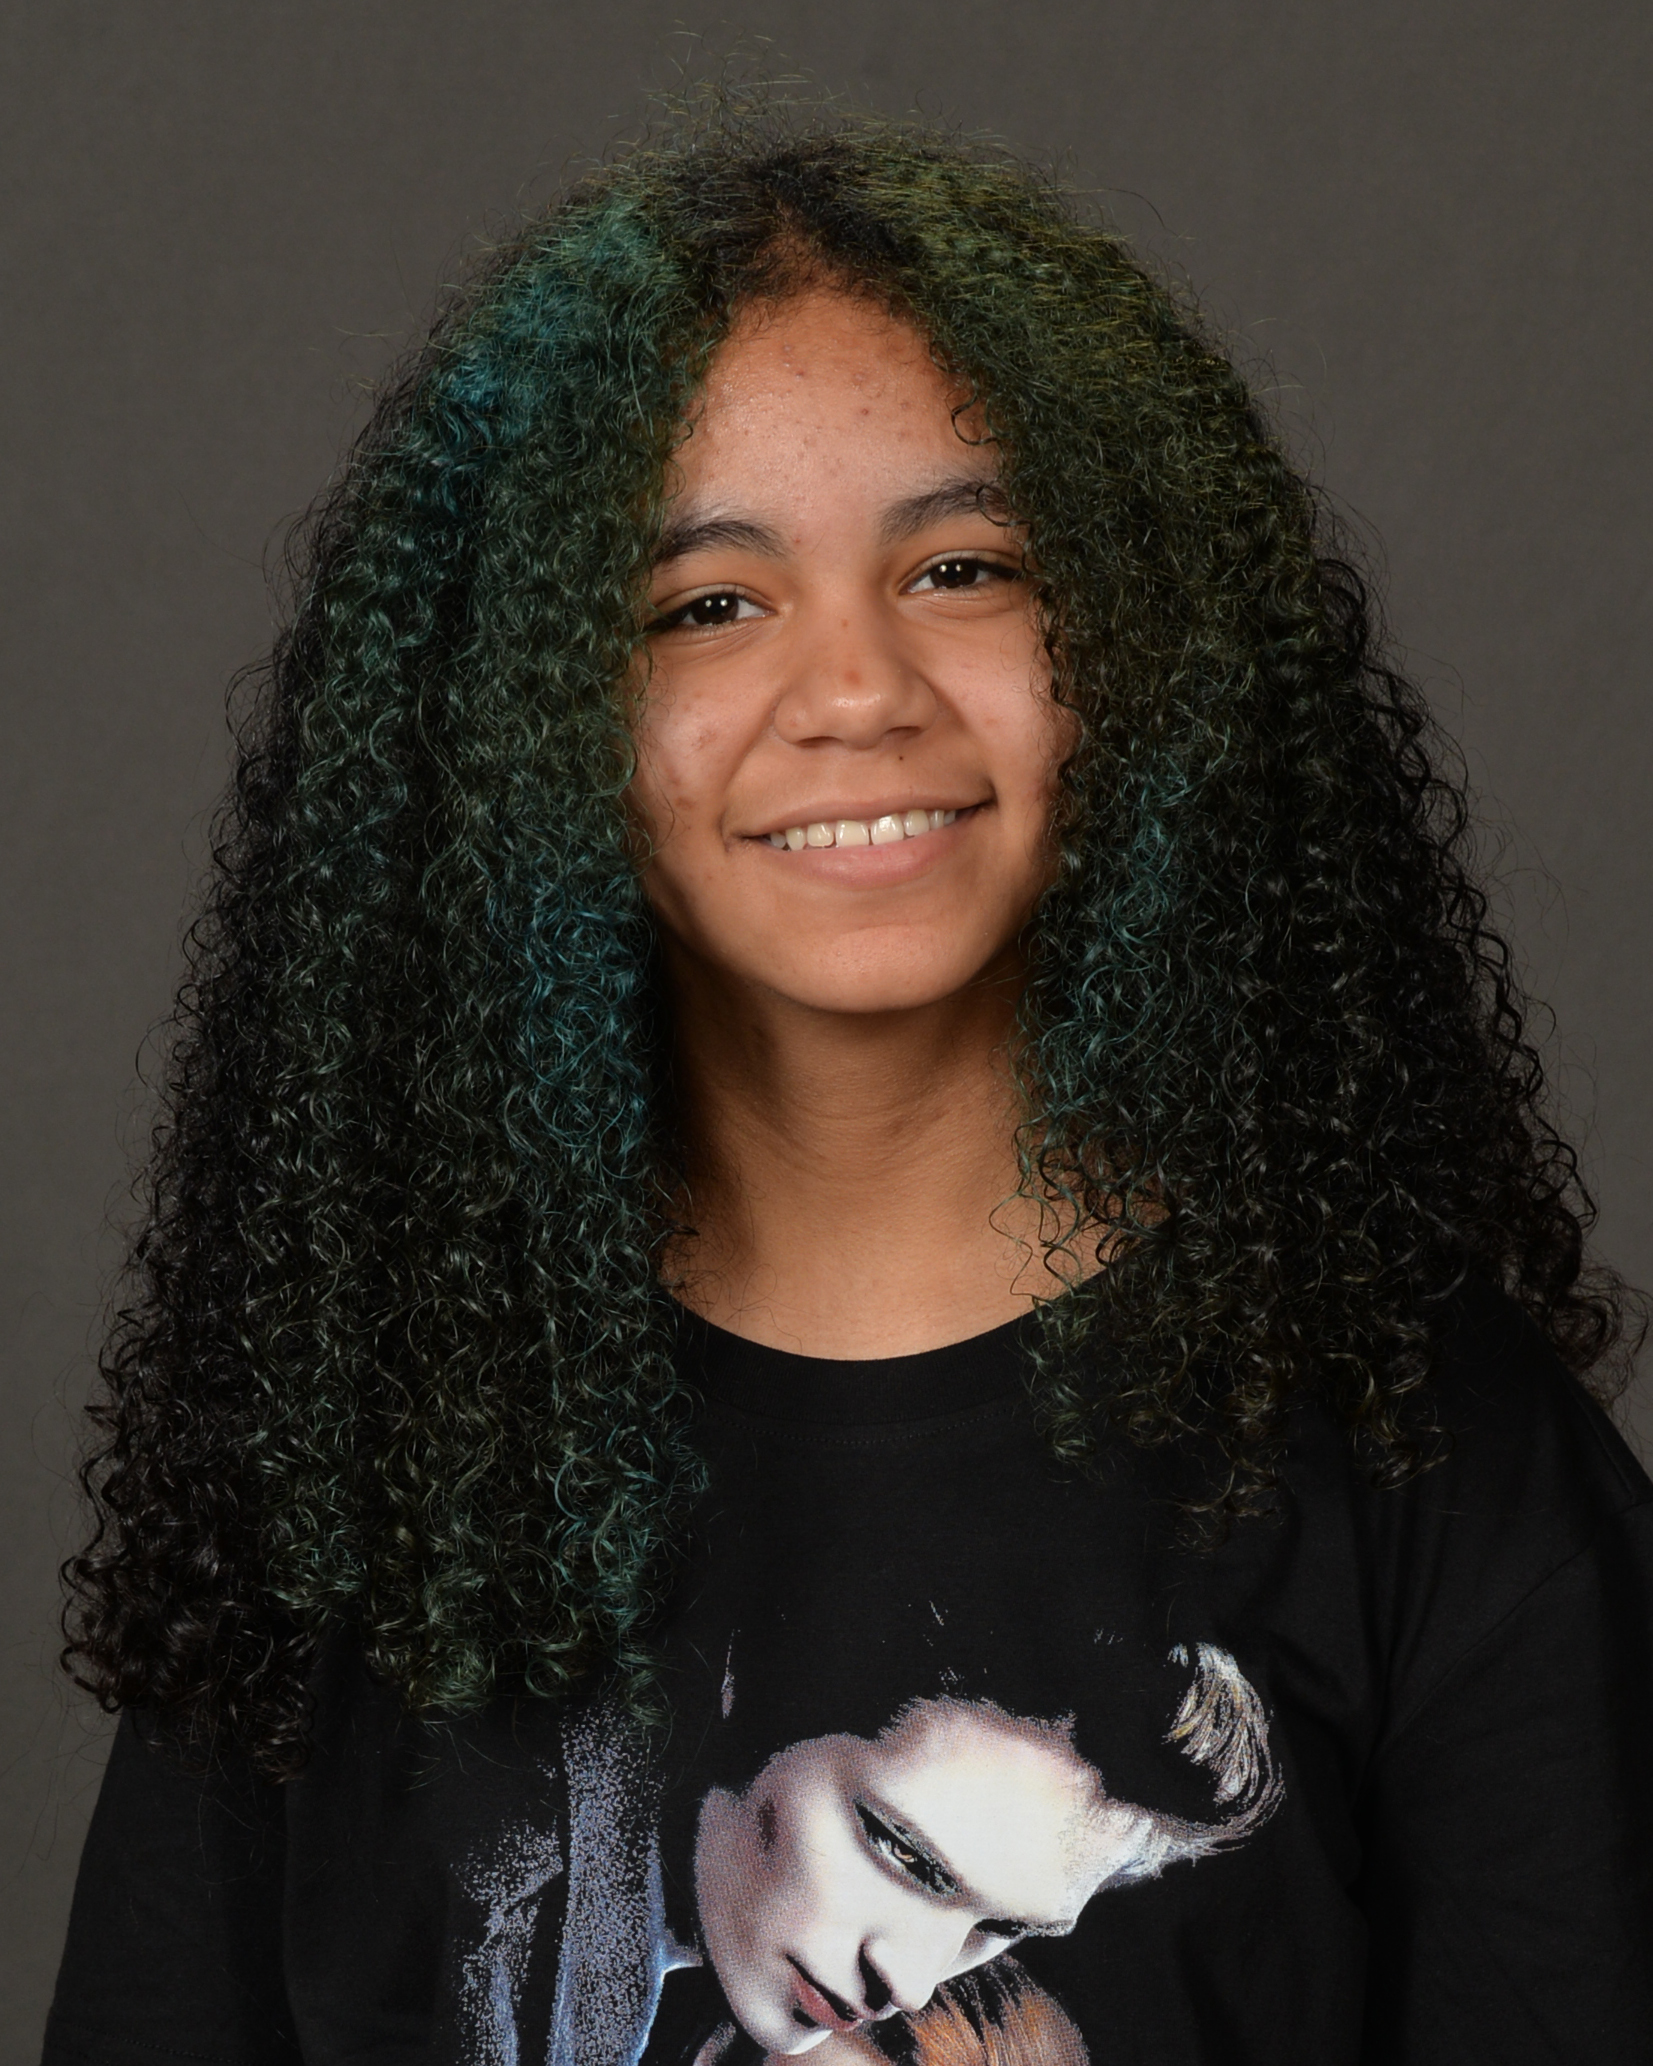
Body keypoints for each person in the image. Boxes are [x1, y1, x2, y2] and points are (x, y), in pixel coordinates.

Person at [44, 98, 1653, 2066]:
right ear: (523, 730)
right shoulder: (370, 1445)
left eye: (963, 568)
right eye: (705, 604)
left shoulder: (1435, 1468)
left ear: (1143, 646)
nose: (858, 691)